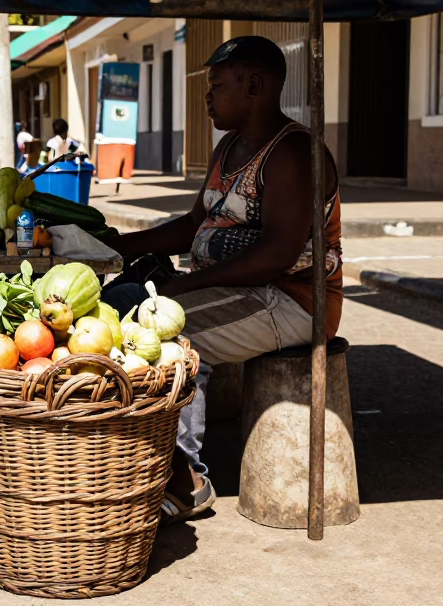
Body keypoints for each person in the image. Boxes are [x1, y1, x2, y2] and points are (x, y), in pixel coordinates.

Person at [101, 35, 343, 526]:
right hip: (234, 291)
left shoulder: (294, 153)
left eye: (216, 85)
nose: (207, 97)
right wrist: (112, 247)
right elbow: (194, 223)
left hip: (289, 301)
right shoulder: (229, 145)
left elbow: (277, 255)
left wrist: (182, 289)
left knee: (168, 339)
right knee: (115, 302)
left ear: (253, 85)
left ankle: (185, 479)